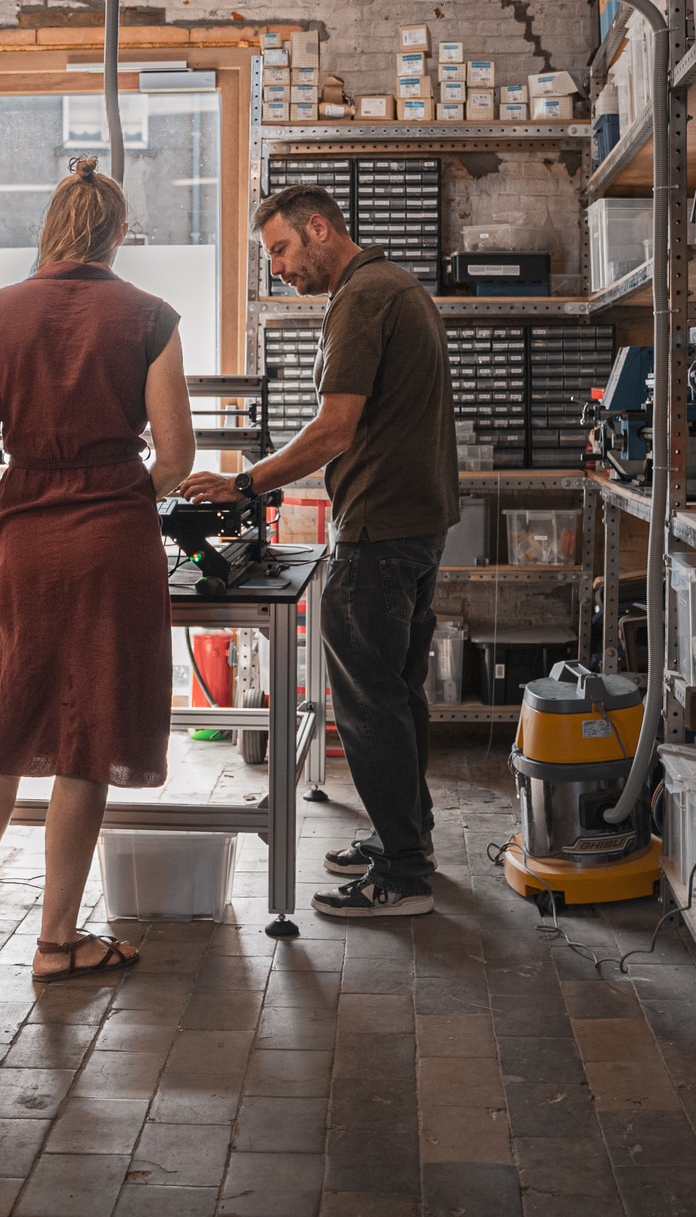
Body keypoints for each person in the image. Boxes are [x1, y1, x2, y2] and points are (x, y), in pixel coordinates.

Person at [0, 156, 196, 981]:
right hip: (113, 542)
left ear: (47, 230)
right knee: (86, 738)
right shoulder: (149, 314)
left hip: (23, 542)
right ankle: (57, 941)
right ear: (119, 234)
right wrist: (120, 492)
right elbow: (179, 455)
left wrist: (16, 500)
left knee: (2, 730)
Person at [180, 185, 459, 917]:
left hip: (380, 530)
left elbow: (335, 429)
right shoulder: (397, 285)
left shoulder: (362, 298)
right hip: (417, 523)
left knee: (368, 706)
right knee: (396, 696)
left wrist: (246, 481)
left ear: (319, 228)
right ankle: (411, 838)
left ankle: (402, 876)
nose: (277, 268)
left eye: (279, 249)